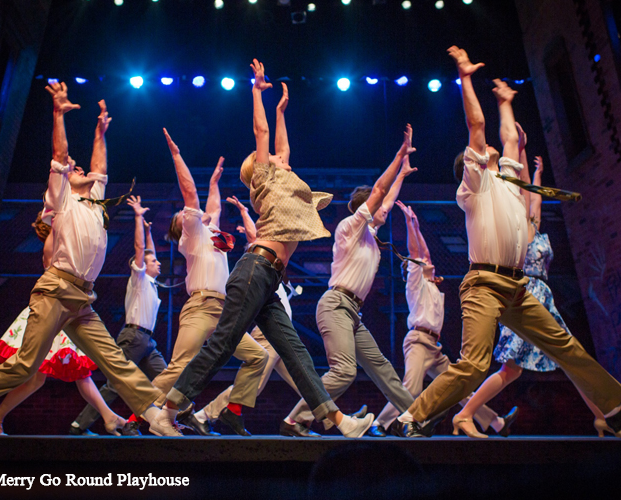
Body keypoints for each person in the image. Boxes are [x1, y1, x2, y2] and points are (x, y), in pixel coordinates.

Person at [396, 47, 621, 438]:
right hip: (483, 284)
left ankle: (614, 408)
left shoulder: (508, 184)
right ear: (475, 162)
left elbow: (509, 141)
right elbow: (476, 126)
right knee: (474, 364)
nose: (498, 151)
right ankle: (411, 418)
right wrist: (465, 78)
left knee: (566, 346)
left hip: (516, 286)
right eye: (487, 153)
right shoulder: (475, 186)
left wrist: (505, 104)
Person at [150, 60, 374, 438]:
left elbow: (281, 143)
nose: (282, 157)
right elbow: (262, 131)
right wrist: (256, 92)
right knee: (222, 344)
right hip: (255, 269)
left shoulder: (282, 175)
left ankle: (339, 421)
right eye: (272, 157)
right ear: (261, 166)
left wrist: (283, 110)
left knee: (295, 352)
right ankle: (165, 412)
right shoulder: (266, 180)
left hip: (268, 278)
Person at [0, 82, 164, 436]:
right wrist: (58, 114)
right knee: (26, 367)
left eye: (80, 170)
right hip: (56, 290)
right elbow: (61, 158)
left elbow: (100, 168)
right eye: (73, 170)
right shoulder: (61, 197)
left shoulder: (93, 199)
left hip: (82, 298)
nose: (78, 169)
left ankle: (155, 415)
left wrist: (99, 132)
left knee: (113, 360)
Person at [452, 149, 621, 438]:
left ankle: (604, 418)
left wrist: (537, 173)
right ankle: (465, 413)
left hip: (543, 297)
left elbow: (534, 195)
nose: (531, 207)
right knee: (512, 368)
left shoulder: (535, 226)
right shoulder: (515, 225)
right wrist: (520, 155)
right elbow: (524, 191)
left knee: (572, 359)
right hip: (523, 293)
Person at [284, 123, 421, 438]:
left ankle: (415, 418)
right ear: (364, 210)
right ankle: (295, 419)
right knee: (344, 371)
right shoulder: (349, 227)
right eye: (376, 211)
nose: (383, 213)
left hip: (352, 312)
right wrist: (400, 154)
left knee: (382, 368)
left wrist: (402, 174)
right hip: (335, 305)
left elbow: (384, 201)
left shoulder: (370, 237)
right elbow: (378, 194)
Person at [147, 131, 268, 437]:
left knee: (258, 357)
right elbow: (190, 195)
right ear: (182, 224)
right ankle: (143, 412)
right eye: (189, 214)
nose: (202, 213)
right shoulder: (190, 233)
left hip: (225, 312)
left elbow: (211, 209)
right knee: (180, 364)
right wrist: (176, 155)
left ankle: (228, 411)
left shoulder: (211, 232)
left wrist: (214, 183)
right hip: (200, 307)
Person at [371, 190, 515, 438]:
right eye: (424, 262)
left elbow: (424, 254)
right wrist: (409, 224)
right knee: (411, 388)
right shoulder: (415, 280)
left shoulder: (430, 284)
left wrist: (417, 226)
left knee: (458, 387)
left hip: (433, 346)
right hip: (417, 342)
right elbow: (417, 254)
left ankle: (495, 423)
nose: (429, 261)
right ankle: (380, 425)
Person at [0, 210, 127, 436]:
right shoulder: (55, 243)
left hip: (68, 310)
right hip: (52, 310)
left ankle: (109, 417)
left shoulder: (69, 245)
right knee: (34, 378)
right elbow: (51, 267)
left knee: (72, 373)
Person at [185, 196, 308, 436]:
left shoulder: (275, 270)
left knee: (305, 380)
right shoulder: (258, 258)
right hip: (269, 333)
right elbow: (254, 237)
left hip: (281, 334)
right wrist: (243, 210)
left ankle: (313, 418)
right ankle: (203, 415)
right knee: (255, 384)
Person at [70, 195, 168, 436]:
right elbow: (141, 251)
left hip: (148, 341)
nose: (159, 263)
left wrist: (148, 231)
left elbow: (148, 249)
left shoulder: (152, 283)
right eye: (154, 261)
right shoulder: (140, 277)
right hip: (134, 337)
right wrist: (138, 217)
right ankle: (79, 425)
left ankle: (157, 421)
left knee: (166, 378)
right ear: (142, 266)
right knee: (115, 384)